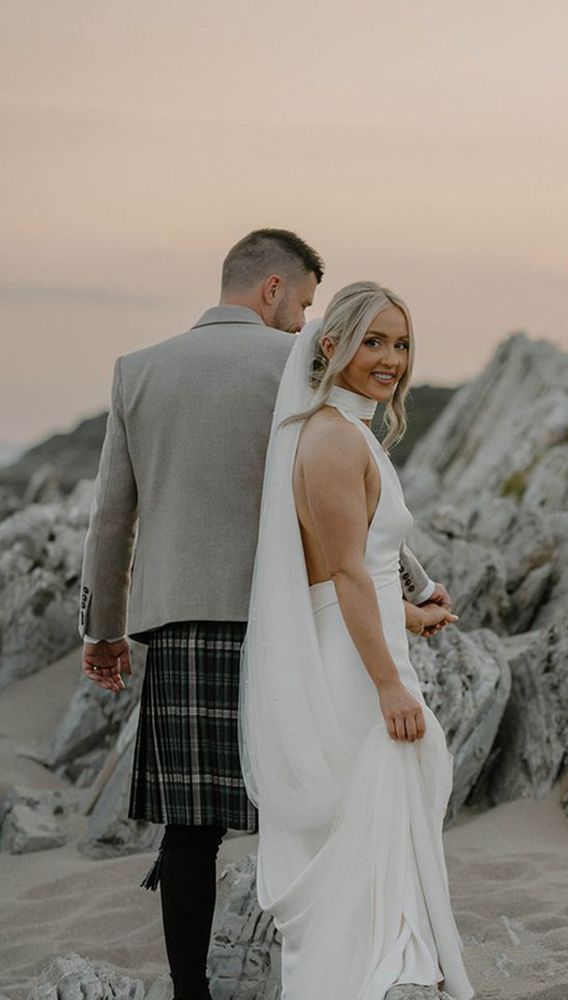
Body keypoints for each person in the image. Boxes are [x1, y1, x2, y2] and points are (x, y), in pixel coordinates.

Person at [79, 232, 449, 1000]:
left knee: (190, 830)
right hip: (291, 619)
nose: (306, 322)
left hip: (185, 627)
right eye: (306, 303)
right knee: (316, 810)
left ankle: (190, 991)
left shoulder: (137, 370)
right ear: (273, 288)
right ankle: (326, 973)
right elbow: (343, 492)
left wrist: (103, 630)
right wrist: (414, 586)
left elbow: (113, 518)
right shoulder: (298, 365)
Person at [239, 281, 474, 1000]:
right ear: (332, 345)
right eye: (373, 341)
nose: (391, 359)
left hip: (356, 638)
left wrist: (412, 617)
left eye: (400, 343)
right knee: (369, 813)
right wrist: (389, 684)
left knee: (374, 817)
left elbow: (347, 573)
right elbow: (342, 572)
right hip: (354, 663)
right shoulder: (335, 441)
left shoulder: (334, 431)